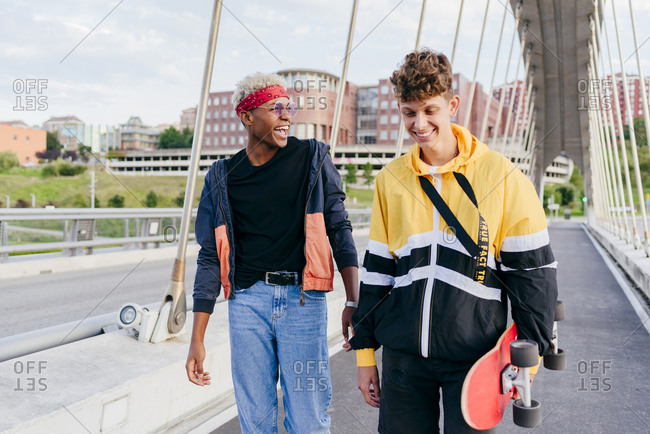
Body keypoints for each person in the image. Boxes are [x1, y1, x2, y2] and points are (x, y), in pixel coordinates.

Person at [349, 49, 558, 433]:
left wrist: (529, 357)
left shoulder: (503, 176)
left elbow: (534, 277)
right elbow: (377, 274)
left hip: (476, 357)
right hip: (403, 359)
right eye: (409, 112)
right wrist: (365, 358)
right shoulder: (390, 179)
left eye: (430, 110)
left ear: (452, 105)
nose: (419, 123)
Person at [186, 72, 359, 433]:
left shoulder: (312, 157)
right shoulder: (221, 177)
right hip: (247, 306)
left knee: (309, 419)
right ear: (247, 116)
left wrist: (354, 300)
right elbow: (208, 256)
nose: (287, 116)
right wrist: (196, 339)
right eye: (276, 108)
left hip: (304, 304)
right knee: (256, 421)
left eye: (289, 107)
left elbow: (339, 228)